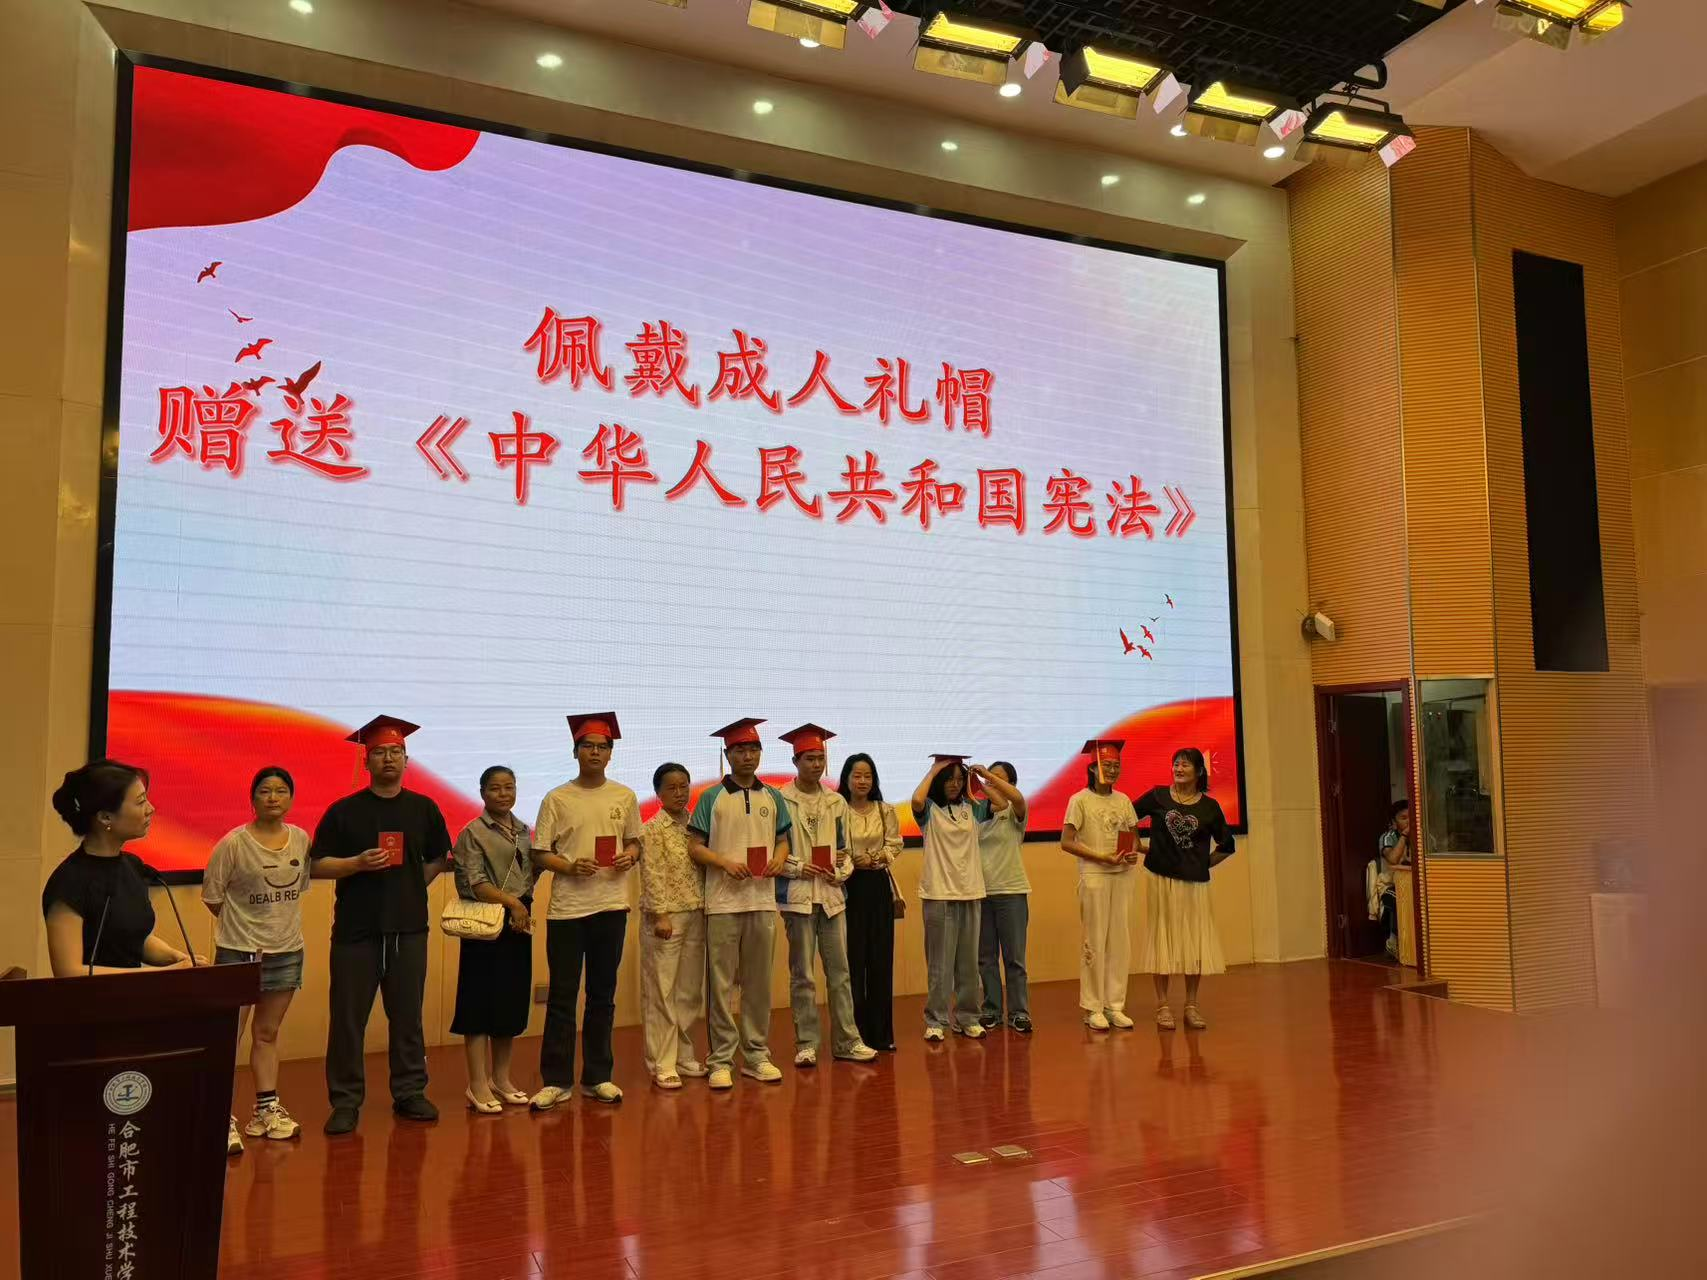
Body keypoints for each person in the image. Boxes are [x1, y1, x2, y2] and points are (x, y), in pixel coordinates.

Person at [309, 716, 452, 1136]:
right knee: (348, 1020)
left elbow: (438, 857)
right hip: (357, 932)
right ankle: (345, 1101)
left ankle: (410, 1092)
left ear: (406, 760)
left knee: (408, 1017)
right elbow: (316, 866)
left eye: (395, 752)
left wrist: (413, 883)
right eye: (379, 753)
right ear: (366, 761)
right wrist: (356, 864)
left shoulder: (424, 808)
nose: (388, 759)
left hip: (409, 929)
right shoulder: (344, 811)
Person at [530, 713, 641, 1108]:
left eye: (602, 747)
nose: (595, 752)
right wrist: (569, 866)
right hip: (567, 910)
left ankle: (598, 1077)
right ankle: (556, 1080)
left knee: (602, 995)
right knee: (562, 996)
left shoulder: (624, 796)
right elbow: (539, 852)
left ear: (611, 754)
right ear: (575, 751)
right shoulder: (556, 798)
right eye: (588, 746)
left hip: (611, 906)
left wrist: (630, 856)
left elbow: (635, 842)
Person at [203, 766, 312, 1153]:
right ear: (253, 799)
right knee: (227, 1036)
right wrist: (244, 929)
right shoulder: (233, 843)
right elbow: (213, 897)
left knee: (267, 1034)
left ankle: (265, 1111)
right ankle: (218, 1117)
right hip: (238, 952)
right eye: (265, 791)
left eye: (281, 790)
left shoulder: (301, 839)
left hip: (286, 950)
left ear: (291, 798)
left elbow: (297, 890)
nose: (273, 797)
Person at [687, 718, 792, 1089]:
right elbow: (694, 847)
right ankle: (720, 1060)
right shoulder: (711, 797)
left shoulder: (773, 797)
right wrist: (724, 863)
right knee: (720, 986)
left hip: (762, 901)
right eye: (740, 750)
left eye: (753, 749)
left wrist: (779, 859)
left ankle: (757, 1056)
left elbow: (783, 840)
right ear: (727, 754)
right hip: (722, 903)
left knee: (758, 984)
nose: (747, 756)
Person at [777, 724, 878, 1067]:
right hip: (798, 897)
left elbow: (845, 850)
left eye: (820, 758)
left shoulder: (836, 801)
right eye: (809, 758)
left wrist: (841, 871)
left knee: (840, 973)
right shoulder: (780, 799)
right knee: (803, 976)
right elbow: (772, 850)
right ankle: (807, 1043)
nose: (816, 764)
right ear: (795, 761)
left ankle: (847, 1041)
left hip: (832, 897)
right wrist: (796, 867)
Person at [43, 760, 203, 976]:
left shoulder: (132, 866)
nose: (151, 809)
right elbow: (68, 972)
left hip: (137, 995)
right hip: (93, 997)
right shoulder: (69, 882)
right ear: (105, 817)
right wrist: (158, 975)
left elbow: (130, 938)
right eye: (140, 802)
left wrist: (176, 957)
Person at [451, 765, 537, 1114]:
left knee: (509, 1002)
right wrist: (513, 903)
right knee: (479, 1004)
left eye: (509, 787)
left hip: (518, 922)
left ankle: (501, 1078)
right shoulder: (473, 832)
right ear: (482, 793)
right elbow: (473, 882)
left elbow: (530, 873)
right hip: (485, 924)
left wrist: (521, 906)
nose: (503, 794)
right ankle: (477, 1083)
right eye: (495, 788)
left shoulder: (524, 830)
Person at [1134, 747, 1235, 1030]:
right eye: (1176, 764)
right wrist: (1135, 844)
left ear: (1199, 771)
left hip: (1194, 884)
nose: (1178, 769)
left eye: (1185, 765)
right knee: (1162, 940)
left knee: (1194, 942)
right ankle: (1162, 1006)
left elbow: (1227, 845)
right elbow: (1126, 815)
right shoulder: (1158, 796)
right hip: (1160, 880)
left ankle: (1191, 1005)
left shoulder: (1209, 807)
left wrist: (1202, 863)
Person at [1060, 740, 1141, 1031]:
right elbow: (1066, 842)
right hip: (1094, 876)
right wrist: (1101, 857)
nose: (1113, 770)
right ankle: (1093, 1007)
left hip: (1122, 875)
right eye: (1107, 765)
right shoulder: (1079, 800)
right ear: (1093, 768)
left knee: (1119, 941)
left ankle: (1114, 1005)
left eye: (1117, 765)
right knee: (1094, 941)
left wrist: (1132, 853)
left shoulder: (1123, 800)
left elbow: (1134, 839)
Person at [638, 761, 708, 1090]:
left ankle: (683, 1054)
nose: (679, 793)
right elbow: (651, 874)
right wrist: (660, 915)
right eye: (671, 788)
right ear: (659, 793)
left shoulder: (697, 826)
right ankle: (661, 1062)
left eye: (684, 786)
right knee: (661, 992)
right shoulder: (651, 829)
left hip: (697, 912)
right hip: (665, 918)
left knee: (689, 991)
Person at [911, 754, 987, 1041]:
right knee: (939, 965)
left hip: (970, 892)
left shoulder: (972, 809)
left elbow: (1003, 804)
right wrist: (933, 770)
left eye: (959, 779)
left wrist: (980, 779)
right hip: (938, 894)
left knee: (968, 963)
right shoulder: (930, 811)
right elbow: (917, 800)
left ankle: (968, 1018)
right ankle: (936, 1020)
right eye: (949, 780)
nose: (954, 785)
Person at [841, 753, 902, 1052]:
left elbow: (895, 844)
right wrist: (852, 860)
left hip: (878, 886)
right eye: (857, 775)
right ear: (847, 778)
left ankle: (881, 1034)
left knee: (880, 960)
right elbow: (834, 847)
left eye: (867, 776)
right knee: (853, 962)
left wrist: (876, 858)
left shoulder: (884, 810)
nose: (862, 781)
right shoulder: (837, 809)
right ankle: (855, 1035)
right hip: (848, 887)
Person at [975, 761, 1032, 1033]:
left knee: (1014, 959)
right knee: (986, 959)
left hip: (1011, 892)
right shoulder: (978, 813)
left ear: (1011, 783)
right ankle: (992, 1010)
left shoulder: (1014, 811)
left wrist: (986, 774)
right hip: (981, 893)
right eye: (989, 779)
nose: (992, 782)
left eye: (999, 778)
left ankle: (1019, 1013)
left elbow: (1016, 798)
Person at [1368, 798, 1412, 959]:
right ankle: (1394, 939)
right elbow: (1393, 859)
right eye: (1404, 818)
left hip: (1414, 882)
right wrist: (1404, 836)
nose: (1409, 821)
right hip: (1390, 883)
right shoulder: (1388, 837)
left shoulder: (1424, 835)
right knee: (1397, 897)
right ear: (1394, 823)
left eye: (1412, 816)